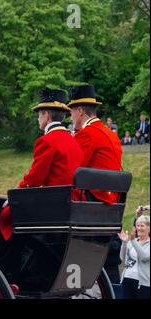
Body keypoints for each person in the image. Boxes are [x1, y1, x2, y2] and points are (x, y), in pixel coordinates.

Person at [0, 88, 84, 291]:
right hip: (69, 204)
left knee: (7, 214)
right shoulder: (74, 142)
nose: (38, 119)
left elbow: (34, 178)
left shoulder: (47, 141)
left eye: (39, 115)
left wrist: (14, 195)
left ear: (47, 115)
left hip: (52, 208)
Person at [68, 84, 124, 283]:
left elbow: (72, 172)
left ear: (80, 111)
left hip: (92, 207)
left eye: (71, 112)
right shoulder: (111, 134)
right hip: (110, 207)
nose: (70, 117)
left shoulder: (87, 134)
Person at [118, 215, 150, 299]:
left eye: (142, 225)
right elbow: (123, 259)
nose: (139, 228)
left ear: (148, 228)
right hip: (127, 278)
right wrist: (124, 243)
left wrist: (132, 241)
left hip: (143, 284)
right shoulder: (133, 241)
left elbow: (144, 257)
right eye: (137, 225)